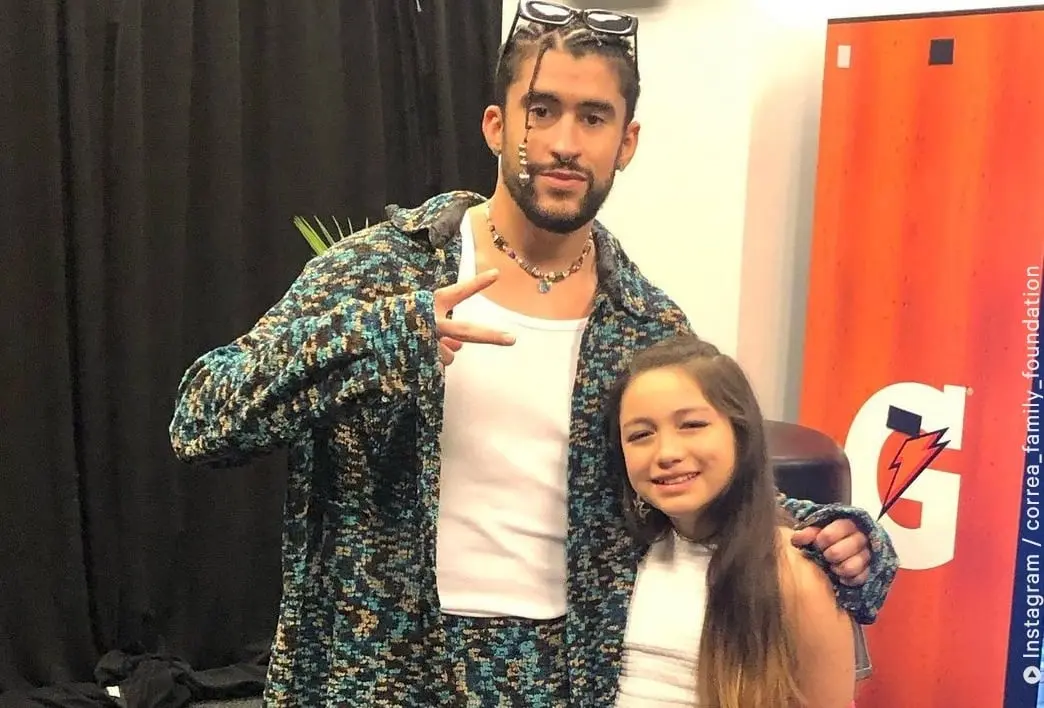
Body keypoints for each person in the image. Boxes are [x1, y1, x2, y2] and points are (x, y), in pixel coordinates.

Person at [169, 2, 897, 705]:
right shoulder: (383, 271)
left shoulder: (644, 325)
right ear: (497, 124)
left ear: (626, 143)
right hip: (382, 664)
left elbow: (699, 480)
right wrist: (379, 339)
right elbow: (201, 421)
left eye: (593, 117)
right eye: (541, 111)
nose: (564, 143)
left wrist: (834, 536)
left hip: (565, 672)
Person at [609, 334, 856, 708]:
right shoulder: (621, 558)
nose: (667, 453)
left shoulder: (796, 575)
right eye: (641, 434)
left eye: (692, 425)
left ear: (741, 432)